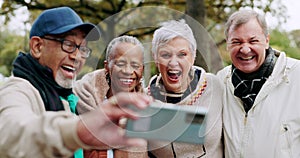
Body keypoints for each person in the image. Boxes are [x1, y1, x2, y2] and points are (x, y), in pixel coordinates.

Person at [0, 6, 153, 158]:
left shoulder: (67, 98)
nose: (77, 56)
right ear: (37, 46)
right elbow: (10, 133)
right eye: (68, 45)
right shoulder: (17, 89)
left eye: (83, 48)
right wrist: (78, 131)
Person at [217, 9, 300, 157]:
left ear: (266, 40)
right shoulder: (220, 82)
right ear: (228, 45)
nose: (245, 49)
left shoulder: (296, 75)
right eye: (236, 42)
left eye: (253, 41)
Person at [147, 19, 223, 157]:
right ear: (155, 58)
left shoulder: (216, 86)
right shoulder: (145, 99)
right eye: (165, 55)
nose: (173, 62)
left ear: (193, 57)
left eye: (182, 54)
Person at [74, 35, 147, 157]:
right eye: (120, 63)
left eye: (135, 65)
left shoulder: (146, 108)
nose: (128, 71)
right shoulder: (83, 96)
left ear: (142, 69)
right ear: (107, 66)